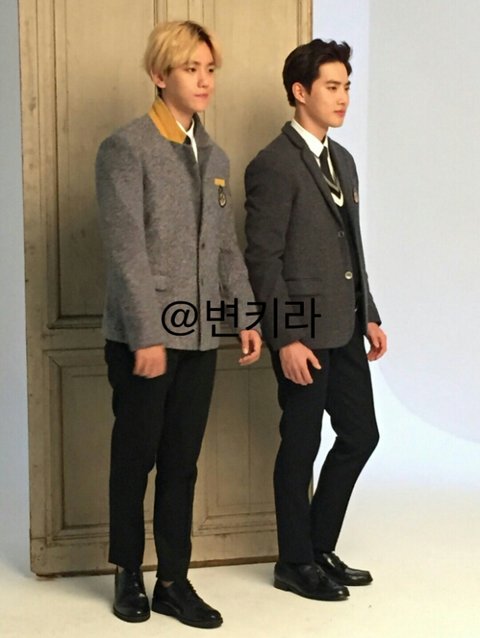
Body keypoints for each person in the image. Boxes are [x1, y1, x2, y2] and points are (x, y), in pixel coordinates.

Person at [96, 20, 261, 628]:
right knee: (134, 457)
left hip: (200, 336)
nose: (204, 80)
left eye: (210, 69)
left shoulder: (215, 156)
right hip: (143, 339)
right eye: (191, 68)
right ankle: (127, 573)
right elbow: (126, 251)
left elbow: (224, 248)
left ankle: (173, 581)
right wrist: (147, 334)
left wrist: (244, 314)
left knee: (182, 463)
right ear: (159, 74)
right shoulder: (126, 147)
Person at [244, 39, 387, 602]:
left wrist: (368, 313)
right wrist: (285, 338)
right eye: (332, 86)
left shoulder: (342, 159)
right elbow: (263, 260)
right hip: (301, 332)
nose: (343, 96)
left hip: (345, 326)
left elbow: (352, 246)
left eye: (347, 86)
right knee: (300, 445)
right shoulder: (273, 164)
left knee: (361, 434)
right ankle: (293, 562)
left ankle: (318, 547)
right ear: (299, 92)